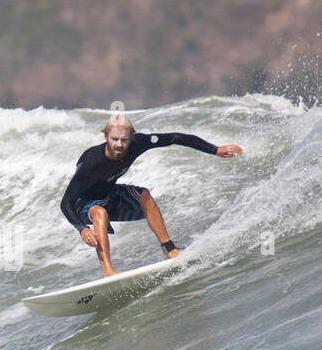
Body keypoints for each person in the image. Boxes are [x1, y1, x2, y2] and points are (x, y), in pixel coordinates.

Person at [59, 114, 242, 276]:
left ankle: (169, 248)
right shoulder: (92, 162)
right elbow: (66, 202)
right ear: (106, 136)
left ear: (132, 137)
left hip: (109, 195)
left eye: (125, 139)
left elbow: (175, 138)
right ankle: (108, 271)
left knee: (143, 195)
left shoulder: (138, 143)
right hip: (82, 204)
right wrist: (82, 228)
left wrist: (215, 150)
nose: (120, 145)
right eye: (114, 139)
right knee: (99, 212)